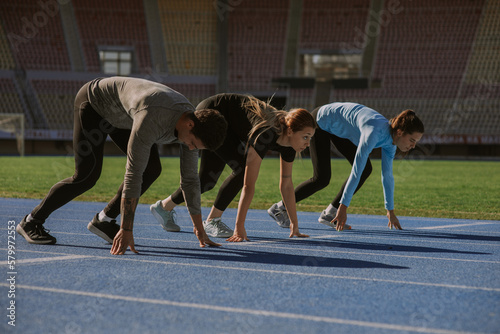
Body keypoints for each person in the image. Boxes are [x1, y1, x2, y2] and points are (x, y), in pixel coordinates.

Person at [16, 76, 227, 255]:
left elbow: (190, 180)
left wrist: (199, 230)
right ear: (190, 125)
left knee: (152, 169)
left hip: (123, 116)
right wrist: (127, 229)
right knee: (86, 175)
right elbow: (132, 174)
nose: (191, 149)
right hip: (95, 105)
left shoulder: (192, 124)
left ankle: (104, 220)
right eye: (192, 143)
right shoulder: (152, 118)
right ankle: (31, 221)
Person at [150, 93, 316, 242]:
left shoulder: (290, 147)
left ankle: (163, 207)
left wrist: (294, 224)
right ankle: (212, 221)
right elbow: (248, 185)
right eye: (305, 137)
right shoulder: (266, 134)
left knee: (207, 180)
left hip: (230, 124)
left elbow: (286, 185)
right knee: (242, 169)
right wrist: (239, 226)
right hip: (214, 111)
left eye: (310, 138)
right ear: (290, 131)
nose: (308, 144)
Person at [268, 102, 424, 231]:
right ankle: (279, 208)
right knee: (322, 178)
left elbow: (387, 176)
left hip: (337, 127)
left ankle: (330, 213)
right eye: (412, 140)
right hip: (321, 121)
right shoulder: (373, 133)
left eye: (415, 142)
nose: (413, 146)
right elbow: (356, 171)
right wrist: (343, 208)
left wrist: (390, 211)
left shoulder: (391, 143)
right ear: (399, 132)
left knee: (366, 169)